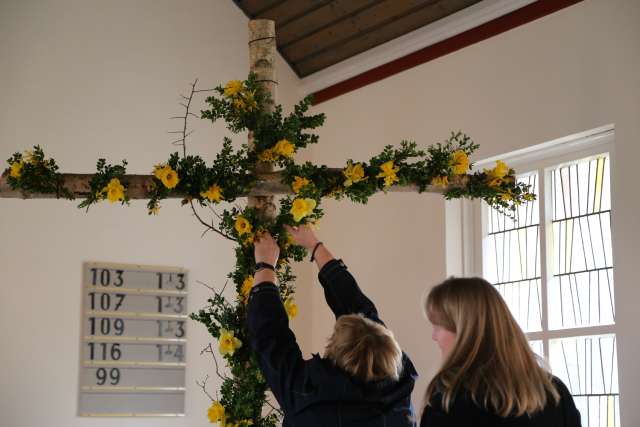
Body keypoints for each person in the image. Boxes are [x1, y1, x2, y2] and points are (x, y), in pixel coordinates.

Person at [247, 225, 418, 427]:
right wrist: (314, 245)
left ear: (335, 350)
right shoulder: (398, 383)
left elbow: (269, 333)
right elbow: (359, 308)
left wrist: (265, 264)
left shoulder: (307, 394)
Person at [421, 277, 582, 427]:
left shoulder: (452, 401)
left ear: (466, 332)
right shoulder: (555, 392)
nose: (434, 337)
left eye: (437, 326)